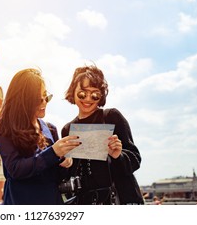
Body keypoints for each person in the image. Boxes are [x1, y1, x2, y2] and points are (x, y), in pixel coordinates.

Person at [0, 68, 80, 205]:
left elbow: (55, 176)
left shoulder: (50, 129)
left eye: (46, 97)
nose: (44, 102)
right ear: (23, 101)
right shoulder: (5, 132)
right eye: (38, 99)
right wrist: (53, 153)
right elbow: (16, 169)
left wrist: (65, 162)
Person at [61, 64, 144, 205]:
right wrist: (63, 164)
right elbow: (69, 174)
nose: (88, 99)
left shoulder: (111, 117)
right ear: (73, 91)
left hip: (119, 200)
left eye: (94, 94)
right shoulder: (67, 129)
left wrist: (118, 155)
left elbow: (135, 159)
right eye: (83, 93)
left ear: (101, 96)